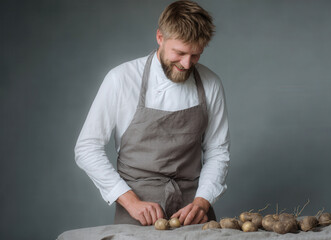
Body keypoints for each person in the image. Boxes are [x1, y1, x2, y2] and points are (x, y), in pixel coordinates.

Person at [75, 0, 230, 226]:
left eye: (195, 55)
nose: (187, 64)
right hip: (138, 213)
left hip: (193, 214)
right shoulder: (121, 79)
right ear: (160, 37)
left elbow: (217, 151)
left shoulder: (211, 84)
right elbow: (87, 148)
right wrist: (131, 202)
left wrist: (202, 202)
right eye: (180, 53)